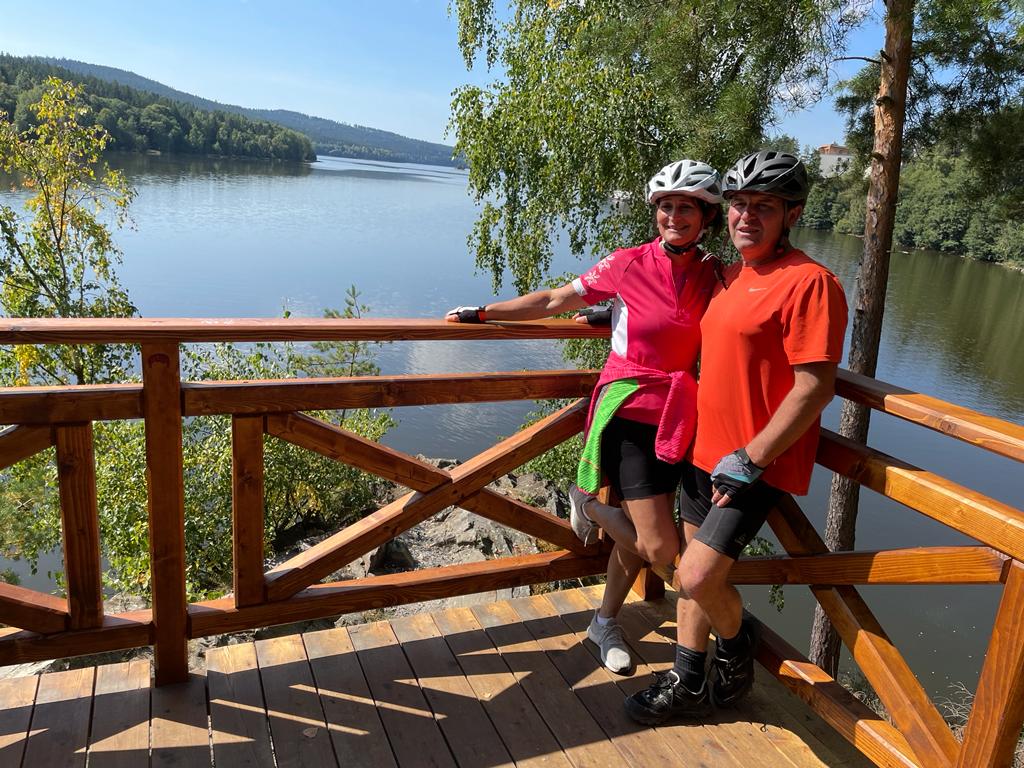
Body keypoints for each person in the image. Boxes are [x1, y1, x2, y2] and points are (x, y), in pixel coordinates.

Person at [446, 159, 724, 674]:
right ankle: (588, 504)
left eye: (686, 207)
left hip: (679, 416)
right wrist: (484, 312)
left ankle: (604, 622)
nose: (674, 216)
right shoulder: (628, 263)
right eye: (665, 206)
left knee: (639, 533)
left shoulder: (715, 273)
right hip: (629, 412)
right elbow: (555, 298)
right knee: (660, 545)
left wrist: (608, 314)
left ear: (706, 216)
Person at [624, 150, 849, 724]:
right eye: (739, 205)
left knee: (697, 576)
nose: (747, 216)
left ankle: (737, 640)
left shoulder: (811, 283)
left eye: (764, 207)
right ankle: (687, 680)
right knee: (691, 576)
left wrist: (752, 457)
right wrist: (615, 318)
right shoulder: (729, 276)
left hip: (753, 464)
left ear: (792, 214)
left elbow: (815, 387)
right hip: (703, 452)